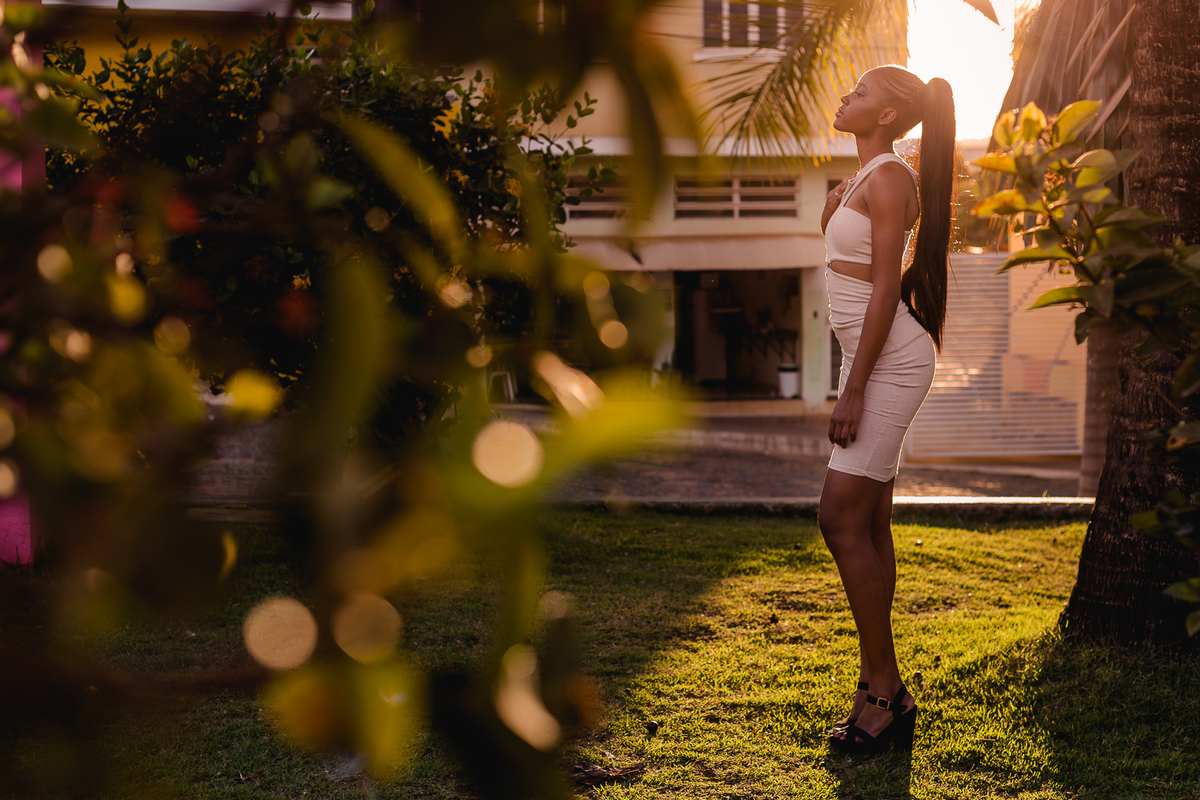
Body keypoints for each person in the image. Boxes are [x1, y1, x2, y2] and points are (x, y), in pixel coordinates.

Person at [817, 65, 955, 754]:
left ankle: (885, 691)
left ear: (891, 115)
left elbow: (879, 292)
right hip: (874, 358)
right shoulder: (868, 181)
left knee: (838, 517)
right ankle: (880, 689)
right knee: (868, 521)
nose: (847, 97)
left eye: (862, 93)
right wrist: (833, 207)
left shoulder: (893, 179)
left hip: (889, 361)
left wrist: (854, 386)